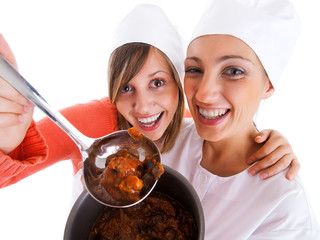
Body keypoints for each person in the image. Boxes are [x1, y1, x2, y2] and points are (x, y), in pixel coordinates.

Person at [0, 4, 298, 200]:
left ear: (180, 81)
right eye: (126, 87)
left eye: (157, 83)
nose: (143, 107)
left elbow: (235, 130)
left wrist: (270, 142)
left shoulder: (197, 119)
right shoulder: (92, 122)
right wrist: (8, 141)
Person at [163, 0, 319, 238]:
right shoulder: (163, 141)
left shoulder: (284, 207)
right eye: (194, 69)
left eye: (234, 71)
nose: (204, 93)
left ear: (269, 84)